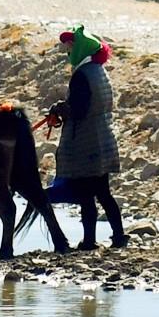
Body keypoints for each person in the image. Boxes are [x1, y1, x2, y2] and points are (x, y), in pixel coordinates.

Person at [45, 24, 126, 248]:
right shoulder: (98, 71)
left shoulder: (81, 76)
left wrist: (60, 109)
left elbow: (79, 111)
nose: (68, 52)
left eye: (70, 47)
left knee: (86, 195)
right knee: (103, 193)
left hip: (86, 142)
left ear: (80, 49)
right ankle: (119, 236)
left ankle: (89, 241)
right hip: (103, 138)